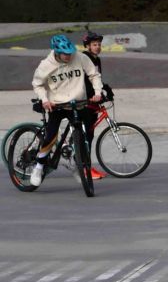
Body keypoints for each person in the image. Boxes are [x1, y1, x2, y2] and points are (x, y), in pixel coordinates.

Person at [28, 34, 104, 187]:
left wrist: (97, 92)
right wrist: (45, 99)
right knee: (51, 135)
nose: (69, 57)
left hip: (78, 102)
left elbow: (94, 75)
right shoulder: (46, 65)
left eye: (70, 53)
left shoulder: (80, 57)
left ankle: (77, 165)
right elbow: (37, 84)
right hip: (57, 104)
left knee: (86, 133)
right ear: (56, 52)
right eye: (65, 54)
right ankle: (39, 166)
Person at [80, 31, 109, 179]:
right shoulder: (85, 58)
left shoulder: (97, 59)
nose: (97, 47)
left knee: (90, 135)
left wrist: (104, 90)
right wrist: (91, 95)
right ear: (87, 46)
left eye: (99, 44)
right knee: (86, 136)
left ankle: (87, 165)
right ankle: (84, 167)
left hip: (93, 100)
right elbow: (84, 81)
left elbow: (96, 78)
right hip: (85, 101)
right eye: (94, 44)